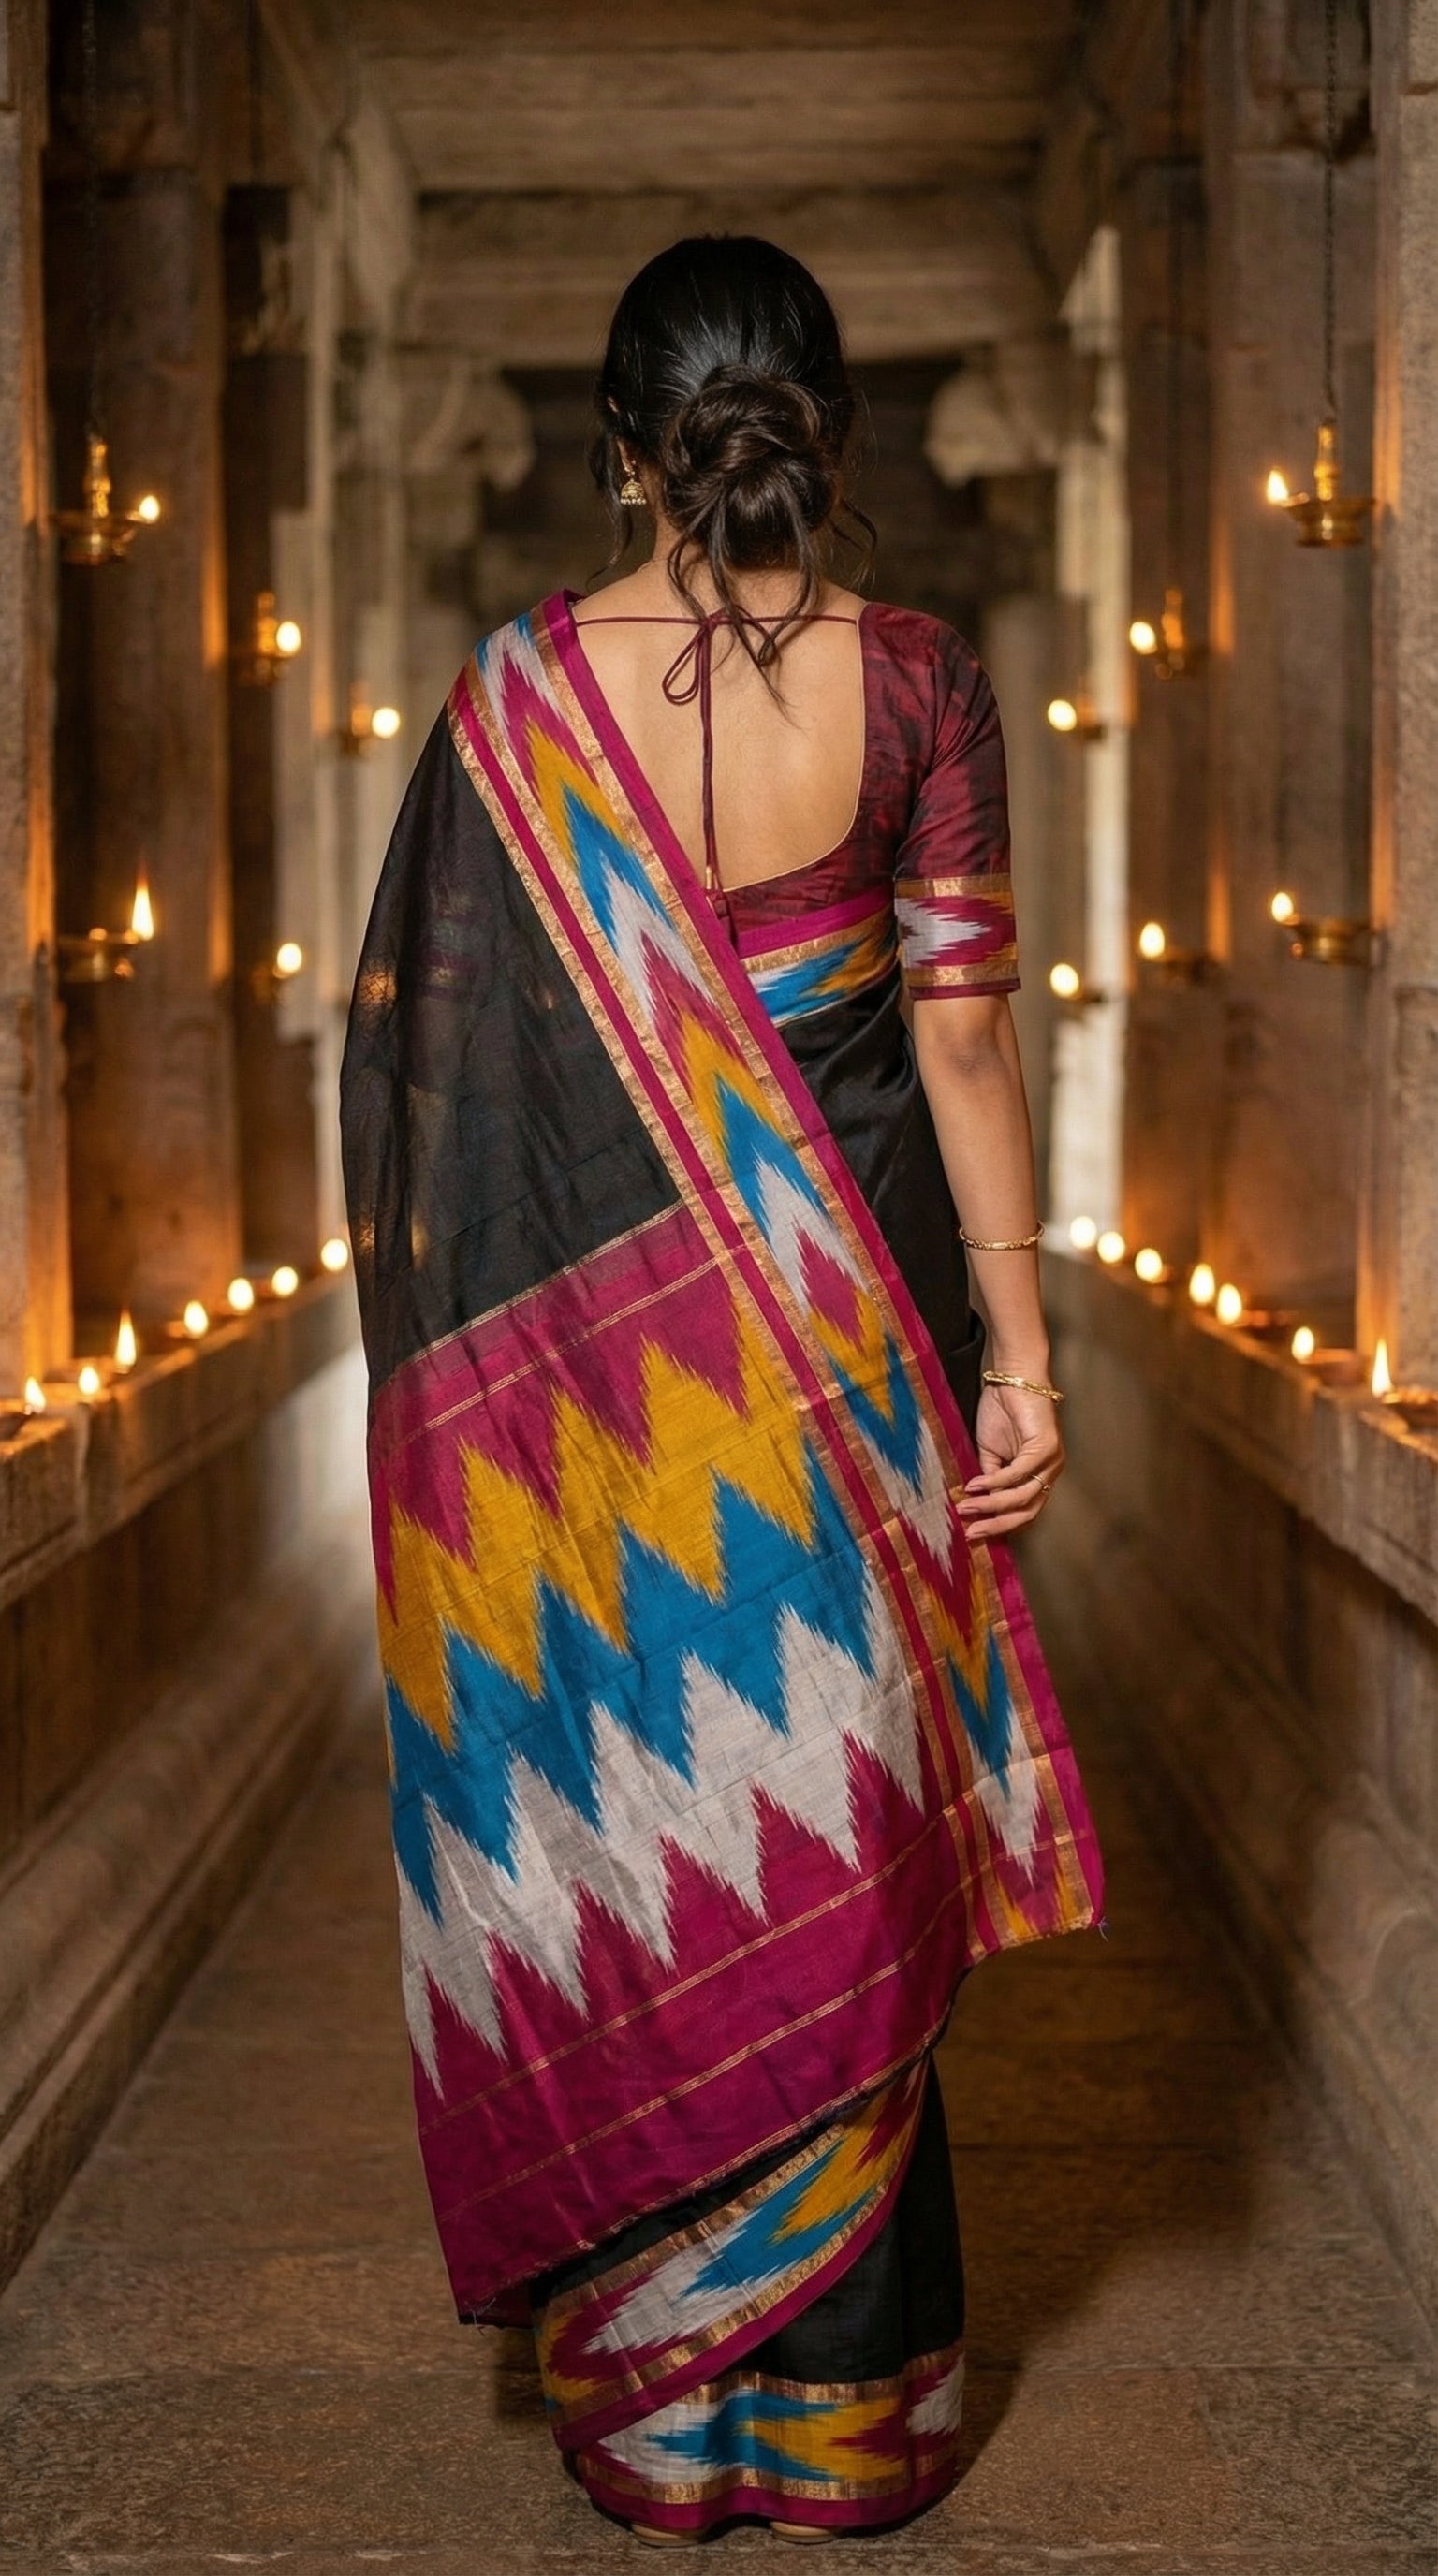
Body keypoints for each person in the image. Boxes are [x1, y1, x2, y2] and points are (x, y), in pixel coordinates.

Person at [341, 235, 1103, 2546]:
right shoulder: (918, 683)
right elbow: (961, 1036)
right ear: (830, 437)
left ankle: (662, 2416)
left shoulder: (517, 703)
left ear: (620, 444)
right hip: (865, 1334)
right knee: (838, 1825)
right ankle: (847, 2414)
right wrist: (1024, 1343)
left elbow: (447, 1072)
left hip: (617, 1396)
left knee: (649, 1802)